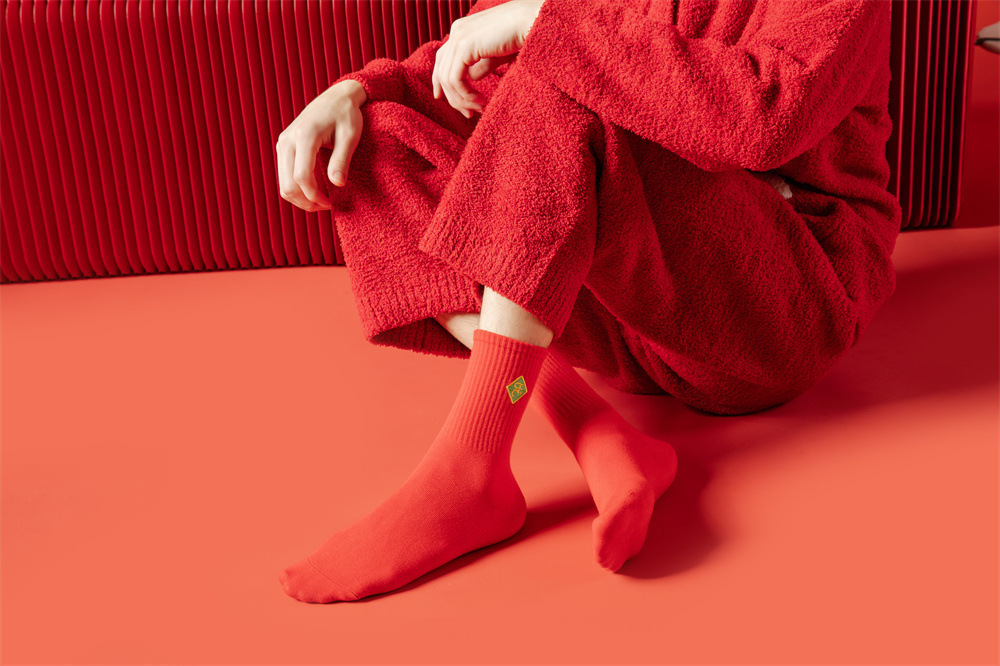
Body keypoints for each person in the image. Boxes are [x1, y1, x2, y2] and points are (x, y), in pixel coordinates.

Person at [274, 0, 901, 603]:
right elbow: (476, 56)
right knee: (374, 139)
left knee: (561, 72)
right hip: (617, 302)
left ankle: (472, 466)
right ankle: (593, 428)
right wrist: (357, 91)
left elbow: (768, 116)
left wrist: (547, 25)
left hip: (774, 305)